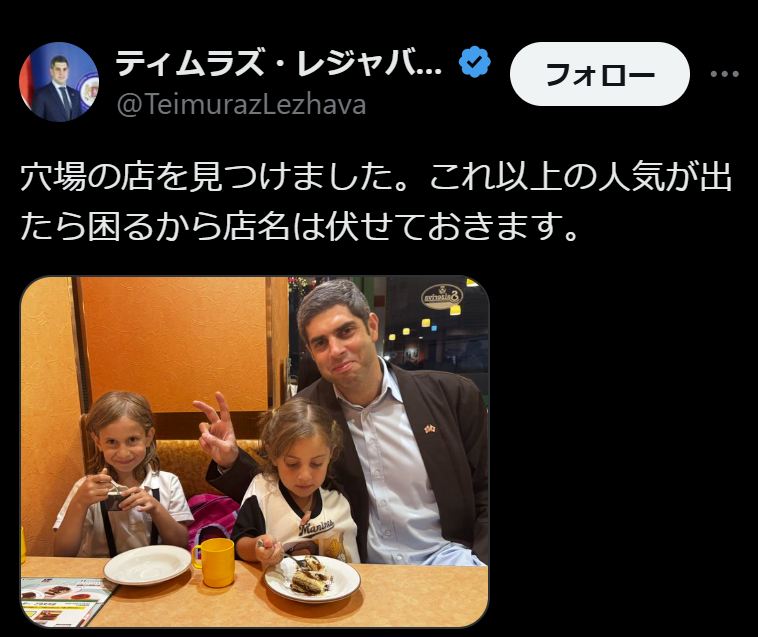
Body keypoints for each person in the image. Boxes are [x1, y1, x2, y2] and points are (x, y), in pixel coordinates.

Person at [195, 279, 488, 566]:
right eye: (320, 343)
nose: (335, 350)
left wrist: (481, 566)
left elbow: (485, 490)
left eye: (346, 331)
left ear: (372, 326)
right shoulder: (305, 412)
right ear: (311, 353)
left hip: (450, 561)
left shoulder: (453, 396)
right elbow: (275, 486)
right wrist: (231, 460)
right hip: (358, 569)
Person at [54, 391, 193, 557]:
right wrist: (79, 503)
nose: (123, 453)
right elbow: (62, 553)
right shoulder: (86, 488)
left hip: (156, 568)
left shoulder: (169, 483)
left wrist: (156, 509)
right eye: (112, 442)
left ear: (148, 437)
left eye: (132, 440)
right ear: (98, 442)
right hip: (100, 571)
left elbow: (181, 544)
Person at [231, 399, 359, 569]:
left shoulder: (336, 493)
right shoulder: (263, 491)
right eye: (292, 464)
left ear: (331, 454)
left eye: (316, 463)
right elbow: (239, 543)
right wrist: (257, 547)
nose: (305, 476)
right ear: (273, 454)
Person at [31, 55, 82, 122]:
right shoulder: (41, 95)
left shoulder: (76, 94)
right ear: (51, 71)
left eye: (64, 69)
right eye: (58, 69)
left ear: (68, 71)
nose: (61, 73)